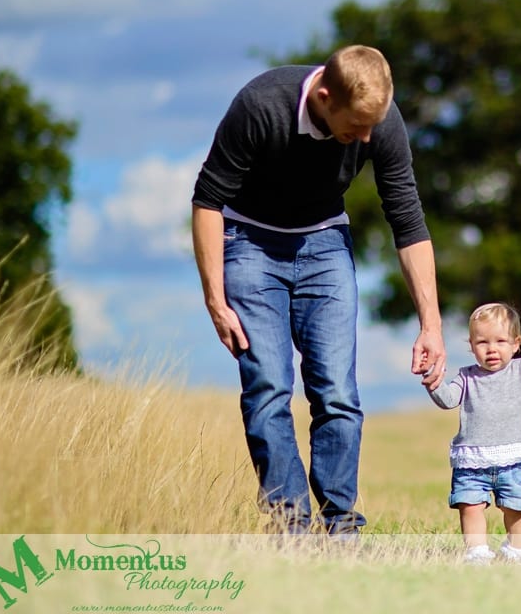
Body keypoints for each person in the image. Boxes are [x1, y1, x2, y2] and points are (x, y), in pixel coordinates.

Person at [190, 45, 446, 537]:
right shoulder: (261, 105)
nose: (367, 138)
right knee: (267, 387)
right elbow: (208, 200)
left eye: (374, 125)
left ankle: (342, 529)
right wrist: (215, 300)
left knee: (338, 393)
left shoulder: (382, 119)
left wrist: (431, 324)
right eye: (357, 125)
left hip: (325, 243)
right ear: (325, 97)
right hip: (248, 244)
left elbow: (408, 220)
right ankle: (291, 528)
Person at [427, 302, 521, 564]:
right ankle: (477, 553)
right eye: (482, 342)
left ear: (516, 344)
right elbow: (448, 400)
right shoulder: (466, 376)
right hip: (472, 459)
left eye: (500, 341)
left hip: (512, 458)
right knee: (469, 506)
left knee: (516, 507)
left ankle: (516, 552)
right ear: (471, 345)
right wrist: (433, 381)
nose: (492, 349)